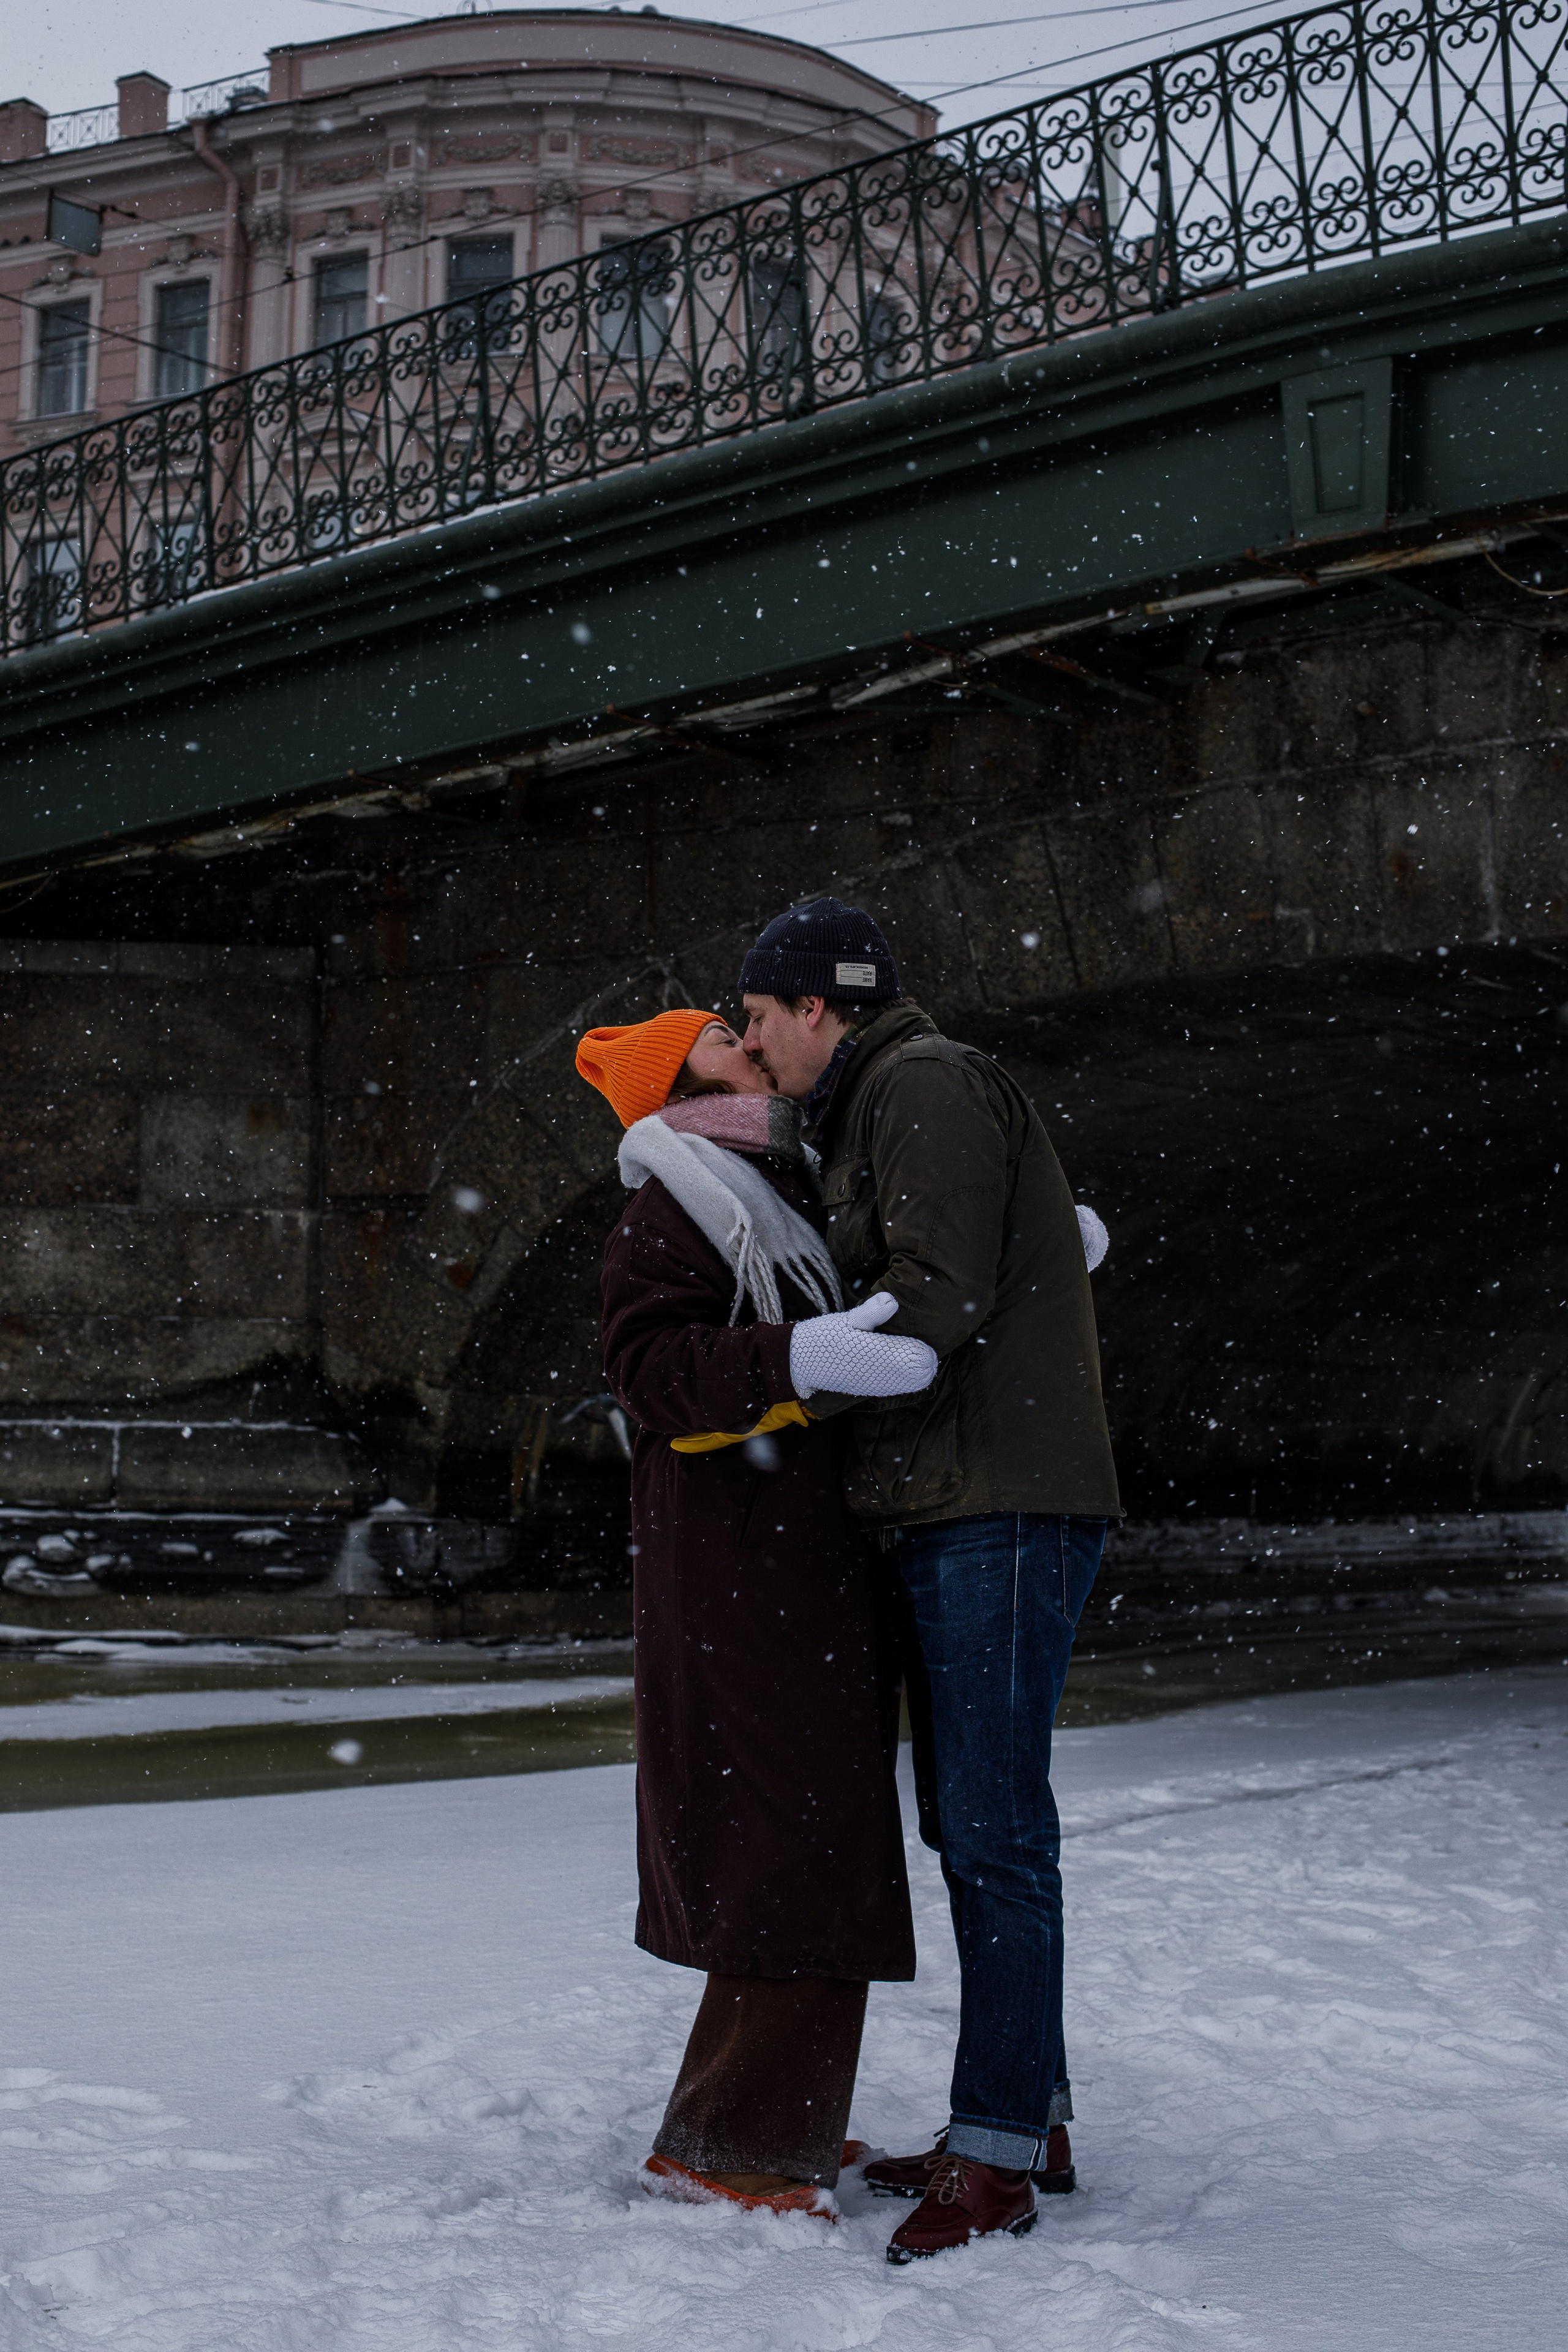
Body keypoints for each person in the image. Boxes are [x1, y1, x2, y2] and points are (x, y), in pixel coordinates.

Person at [738, 899, 1122, 2264]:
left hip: (999, 1502)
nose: (748, 1042)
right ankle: (1024, 2120)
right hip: (956, 1500)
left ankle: (1001, 2152)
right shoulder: (876, 1098)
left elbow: (935, 1291)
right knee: (972, 1828)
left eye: (758, 1018)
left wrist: (787, 1385)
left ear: (816, 1007)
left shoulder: (922, 1081)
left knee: (994, 1829)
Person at [573, 1007, 938, 2220]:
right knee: (792, 1850)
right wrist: (798, 1361)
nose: (755, 1045)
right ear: (679, 1085)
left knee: (806, 1844)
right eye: (728, 1040)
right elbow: (652, 1376)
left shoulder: (770, 1186)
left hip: (793, 1568)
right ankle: (729, 2149)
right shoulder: (674, 1200)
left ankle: (766, 2123)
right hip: (739, 1576)